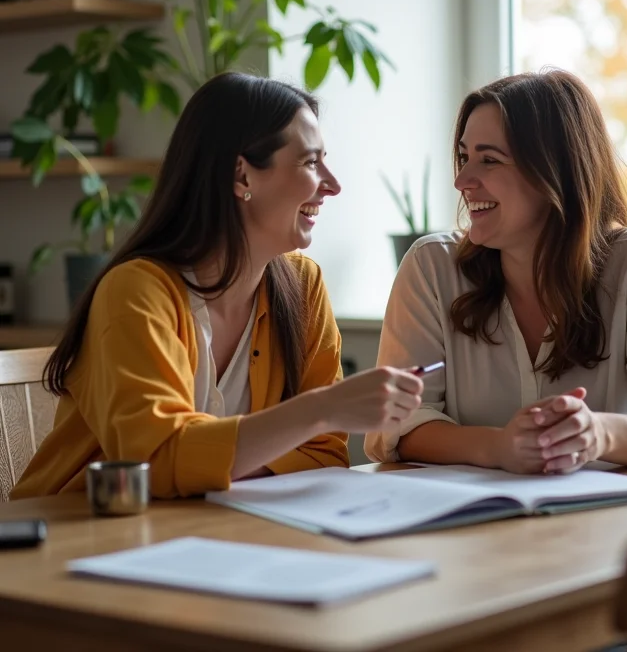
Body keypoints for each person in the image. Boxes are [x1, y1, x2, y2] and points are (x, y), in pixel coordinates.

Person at [12, 73, 422, 500]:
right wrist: (320, 410)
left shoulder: (304, 286)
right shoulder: (134, 293)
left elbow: (323, 454)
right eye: (310, 162)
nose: (333, 185)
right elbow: (155, 463)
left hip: (210, 527)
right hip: (76, 530)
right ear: (241, 176)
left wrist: (208, 465)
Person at [365, 69, 627, 474]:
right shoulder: (431, 267)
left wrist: (598, 434)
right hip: (464, 512)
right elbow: (396, 425)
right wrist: (499, 447)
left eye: (489, 160)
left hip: (606, 511)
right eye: (465, 157)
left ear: (556, 171)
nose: (462, 180)